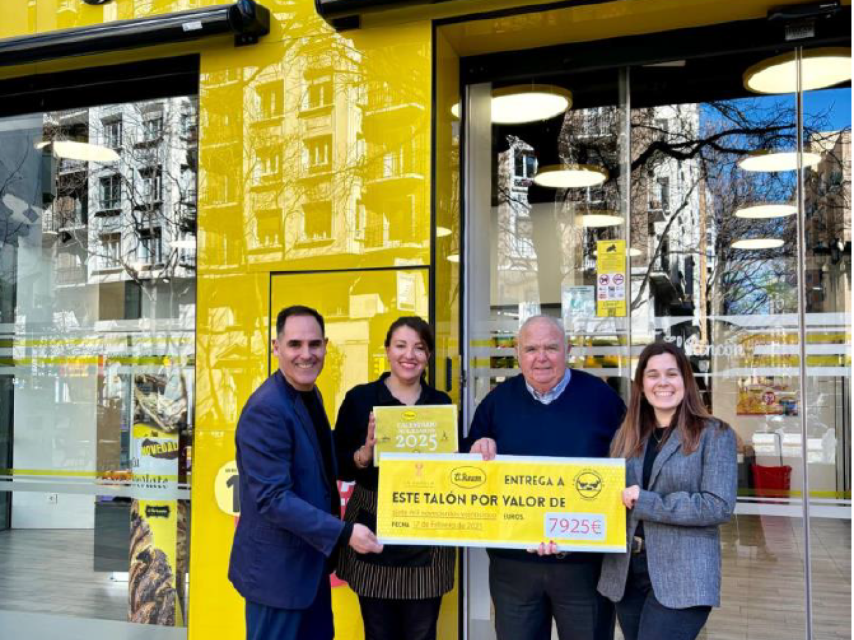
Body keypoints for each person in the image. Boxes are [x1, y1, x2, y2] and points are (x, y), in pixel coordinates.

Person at [229, 305, 383, 640]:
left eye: (314, 344)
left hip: (308, 569)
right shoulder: (267, 409)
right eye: (295, 344)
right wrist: (344, 533)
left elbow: (319, 468)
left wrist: (362, 455)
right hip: (277, 577)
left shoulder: (309, 394)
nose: (306, 354)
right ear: (276, 347)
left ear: (326, 345)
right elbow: (273, 499)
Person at [466, 315, 625, 640]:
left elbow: (629, 466)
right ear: (517, 352)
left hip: (584, 566)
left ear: (567, 349)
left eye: (551, 347)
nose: (541, 357)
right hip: (514, 568)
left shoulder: (603, 400)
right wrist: (476, 449)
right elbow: (470, 475)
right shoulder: (496, 404)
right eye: (532, 348)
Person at [597, 341, 737, 640]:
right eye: (652, 375)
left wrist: (646, 502)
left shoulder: (715, 434)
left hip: (683, 575)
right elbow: (606, 498)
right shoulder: (626, 435)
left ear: (686, 380)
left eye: (672, 374)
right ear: (641, 385)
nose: (662, 382)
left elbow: (718, 505)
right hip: (627, 572)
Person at [335, 316, 455, 640]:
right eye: (401, 346)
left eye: (419, 348)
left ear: (428, 355)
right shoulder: (359, 399)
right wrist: (364, 454)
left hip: (427, 532)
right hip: (372, 527)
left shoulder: (441, 404)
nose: (409, 355)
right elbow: (336, 463)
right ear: (387, 350)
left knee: (422, 632)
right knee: (377, 631)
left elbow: (452, 468)